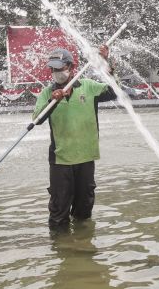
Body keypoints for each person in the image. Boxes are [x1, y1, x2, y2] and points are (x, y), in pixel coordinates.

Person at [32, 46, 117, 231]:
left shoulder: (88, 86)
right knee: (58, 210)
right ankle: (61, 248)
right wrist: (52, 101)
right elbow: (37, 119)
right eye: (53, 69)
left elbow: (114, 92)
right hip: (61, 159)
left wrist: (105, 64)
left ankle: (81, 245)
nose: (56, 73)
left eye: (60, 68)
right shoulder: (47, 94)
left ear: (71, 67)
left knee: (84, 208)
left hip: (86, 157)